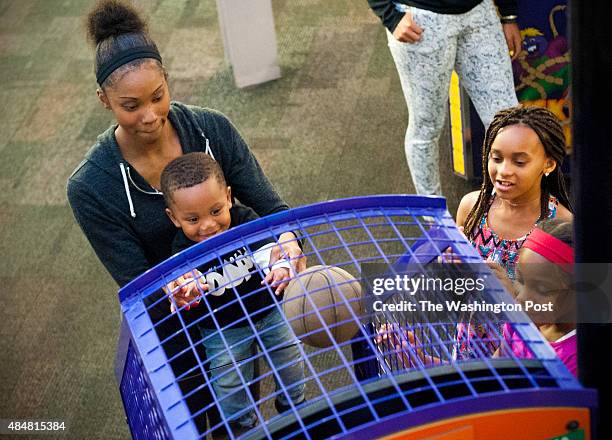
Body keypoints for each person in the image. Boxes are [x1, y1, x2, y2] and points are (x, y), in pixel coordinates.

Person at [67, 0, 305, 290]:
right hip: (185, 318)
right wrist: (174, 290)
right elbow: (139, 287)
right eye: (131, 106)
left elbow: (275, 213)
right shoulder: (89, 187)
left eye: (157, 97)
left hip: (261, 287)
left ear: (166, 80)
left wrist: (290, 241)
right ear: (104, 100)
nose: (150, 116)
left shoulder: (212, 128)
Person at [160, 152, 306, 430]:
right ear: (174, 218)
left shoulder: (243, 218)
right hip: (221, 328)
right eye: (193, 219)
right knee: (228, 380)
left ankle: (294, 407)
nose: (208, 226)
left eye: (216, 211)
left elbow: (267, 251)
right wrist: (189, 288)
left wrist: (279, 267)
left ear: (228, 197)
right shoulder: (181, 249)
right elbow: (186, 278)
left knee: (290, 357)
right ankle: (243, 426)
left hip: (270, 311)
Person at [454, 105, 573, 359]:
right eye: (496, 158)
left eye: (519, 161)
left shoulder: (562, 227)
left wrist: (512, 297)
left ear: (548, 164)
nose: (504, 170)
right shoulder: (471, 208)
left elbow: (574, 311)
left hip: (523, 354)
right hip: (470, 340)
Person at [367, 0, 521, 195]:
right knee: (426, 127)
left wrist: (508, 15)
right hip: (421, 19)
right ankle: (434, 218)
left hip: (479, 13)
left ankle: (510, 211)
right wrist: (389, 15)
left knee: (509, 123)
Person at [494, 219, 577, 377]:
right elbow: (492, 373)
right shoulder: (520, 323)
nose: (522, 298)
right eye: (520, 280)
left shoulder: (576, 361)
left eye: (543, 289)